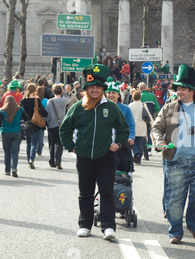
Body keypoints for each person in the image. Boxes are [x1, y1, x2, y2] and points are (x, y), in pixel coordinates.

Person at [59, 64, 130, 240]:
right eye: (92, 87)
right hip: (84, 157)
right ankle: (85, 225)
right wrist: (72, 146)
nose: (95, 90)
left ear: (103, 89)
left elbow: (124, 129)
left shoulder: (112, 108)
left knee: (106, 192)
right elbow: (64, 129)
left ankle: (108, 227)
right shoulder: (78, 107)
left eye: (98, 87)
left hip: (106, 157)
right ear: (87, 89)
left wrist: (118, 144)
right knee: (85, 193)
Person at [152, 64, 195, 244]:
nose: (179, 92)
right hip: (175, 160)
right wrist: (159, 140)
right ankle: (175, 231)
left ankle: (193, 223)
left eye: (183, 89)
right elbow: (157, 127)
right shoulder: (169, 108)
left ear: (191, 90)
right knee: (175, 198)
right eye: (177, 88)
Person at [20, 83, 48, 169]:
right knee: (34, 143)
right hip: (35, 123)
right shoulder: (37, 100)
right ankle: (31, 159)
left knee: (28, 143)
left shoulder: (23, 100)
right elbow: (45, 113)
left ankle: (29, 160)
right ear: (35, 90)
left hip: (27, 123)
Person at [0, 95, 29, 177]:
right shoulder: (20, 109)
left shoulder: (1, 111)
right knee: (15, 152)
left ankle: (7, 170)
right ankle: (14, 168)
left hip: (5, 132)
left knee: (7, 152)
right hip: (17, 132)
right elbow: (27, 118)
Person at [46, 83, 70, 169]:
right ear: (61, 91)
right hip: (61, 125)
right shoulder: (64, 101)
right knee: (59, 144)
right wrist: (64, 92)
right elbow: (69, 100)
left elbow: (47, 114)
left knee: (52, 144)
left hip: (52, 125)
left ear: (53, 91)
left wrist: (47, 123)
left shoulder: (50, 101)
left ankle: (52, 161)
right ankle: (58, 160)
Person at [128, 91, 152, 165]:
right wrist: (152, 123)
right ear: (140, 97)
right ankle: (139, 159)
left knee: (134, 142)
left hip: (133, 125)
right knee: (140, 142)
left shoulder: (130, 105)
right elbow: (148, 115)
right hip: (142, 125)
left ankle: (136, 153)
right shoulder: (143, 105)